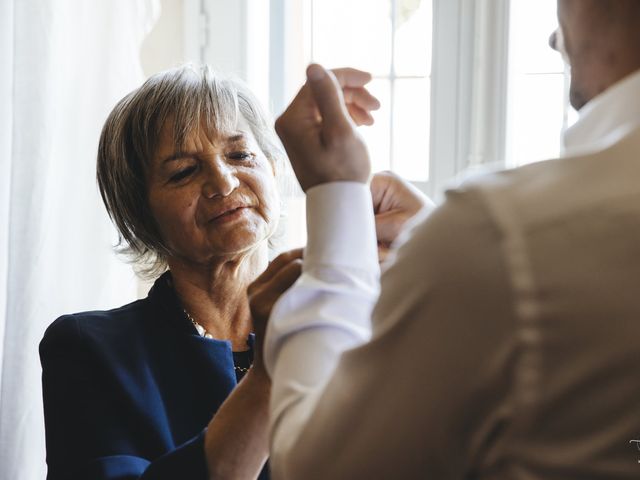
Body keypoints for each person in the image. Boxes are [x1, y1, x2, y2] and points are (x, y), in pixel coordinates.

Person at [251, 0, 640, 478]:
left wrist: (336, 204)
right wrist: (443, 249)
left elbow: (317, 469)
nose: (555, 38)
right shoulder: (512, 241)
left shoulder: (503, 235)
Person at [39, 64, 391, 480]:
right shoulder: (90, 350)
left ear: (273, 170)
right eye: (184, 171)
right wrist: (270, 375)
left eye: (240, 155)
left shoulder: (357, 322)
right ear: (140, 213)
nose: (223, 183)